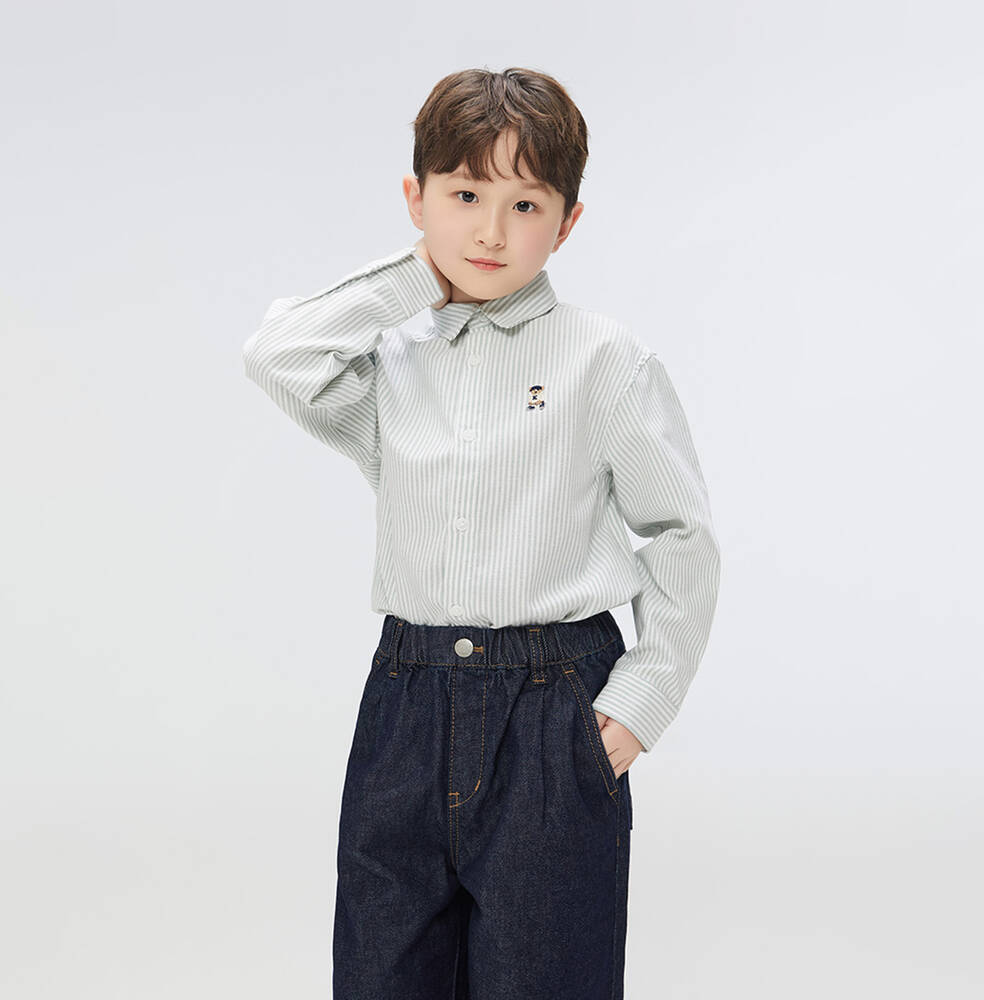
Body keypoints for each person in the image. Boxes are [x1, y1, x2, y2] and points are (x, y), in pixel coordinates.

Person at [242, 65, 721, 1000]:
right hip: (407, 701)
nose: (491, 232)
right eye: (465, 196)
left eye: (525, 204)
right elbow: (276, 354)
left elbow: (679, 532)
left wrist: (640, 704)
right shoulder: (388, 364)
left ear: (567, 223)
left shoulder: (603, 359)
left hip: (552, 706)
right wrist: (419, 274)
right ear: (415, 198)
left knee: (546, 976)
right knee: (382, 972)